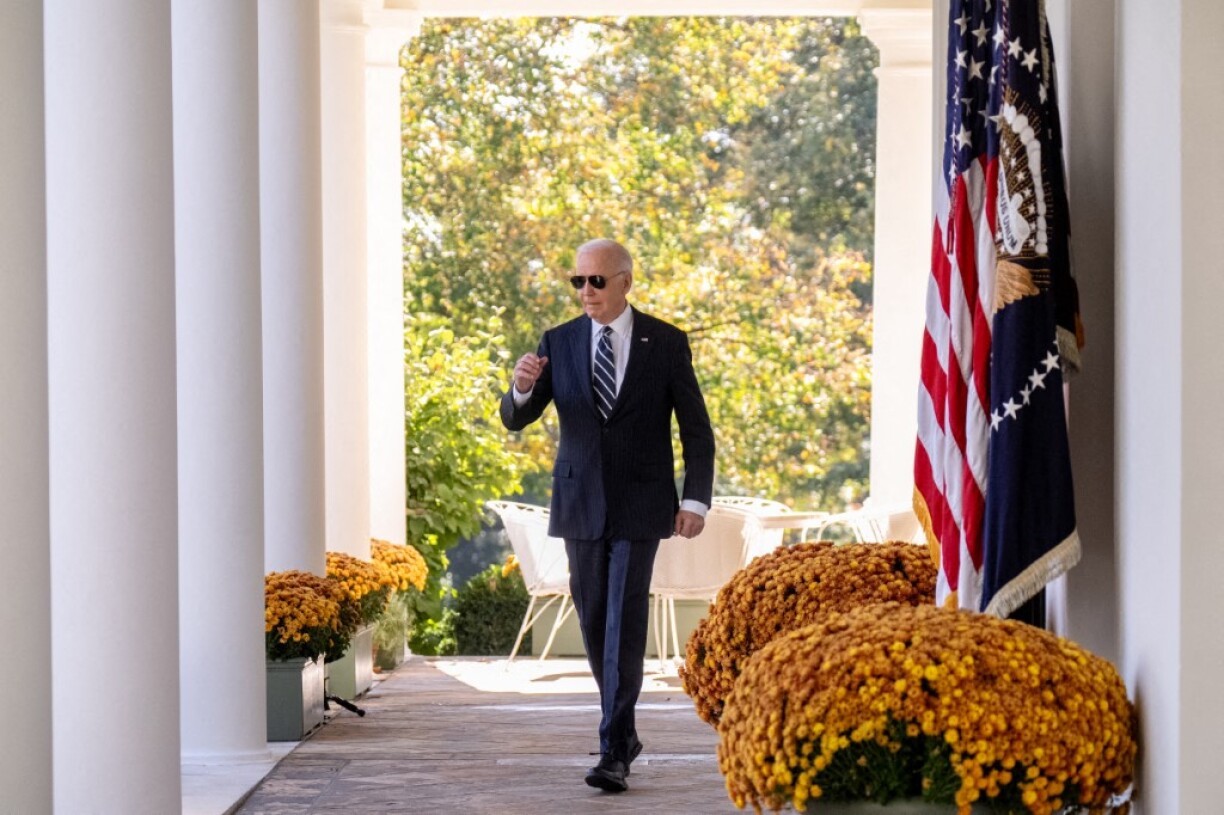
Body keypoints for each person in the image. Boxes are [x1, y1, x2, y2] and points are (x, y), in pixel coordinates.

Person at [500, 238, 715, 793]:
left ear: (624, 282)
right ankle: (623, 732)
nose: (586, 291)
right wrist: (521, 388)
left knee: (623, 620)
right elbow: (519, 418)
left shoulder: (665, 342)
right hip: (579, 504)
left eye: (596, 281)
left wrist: (694, 500)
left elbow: (696, 430)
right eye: (578, 281)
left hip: (643, 504)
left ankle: (613, 749)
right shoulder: (559, 341)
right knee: (596, 622)